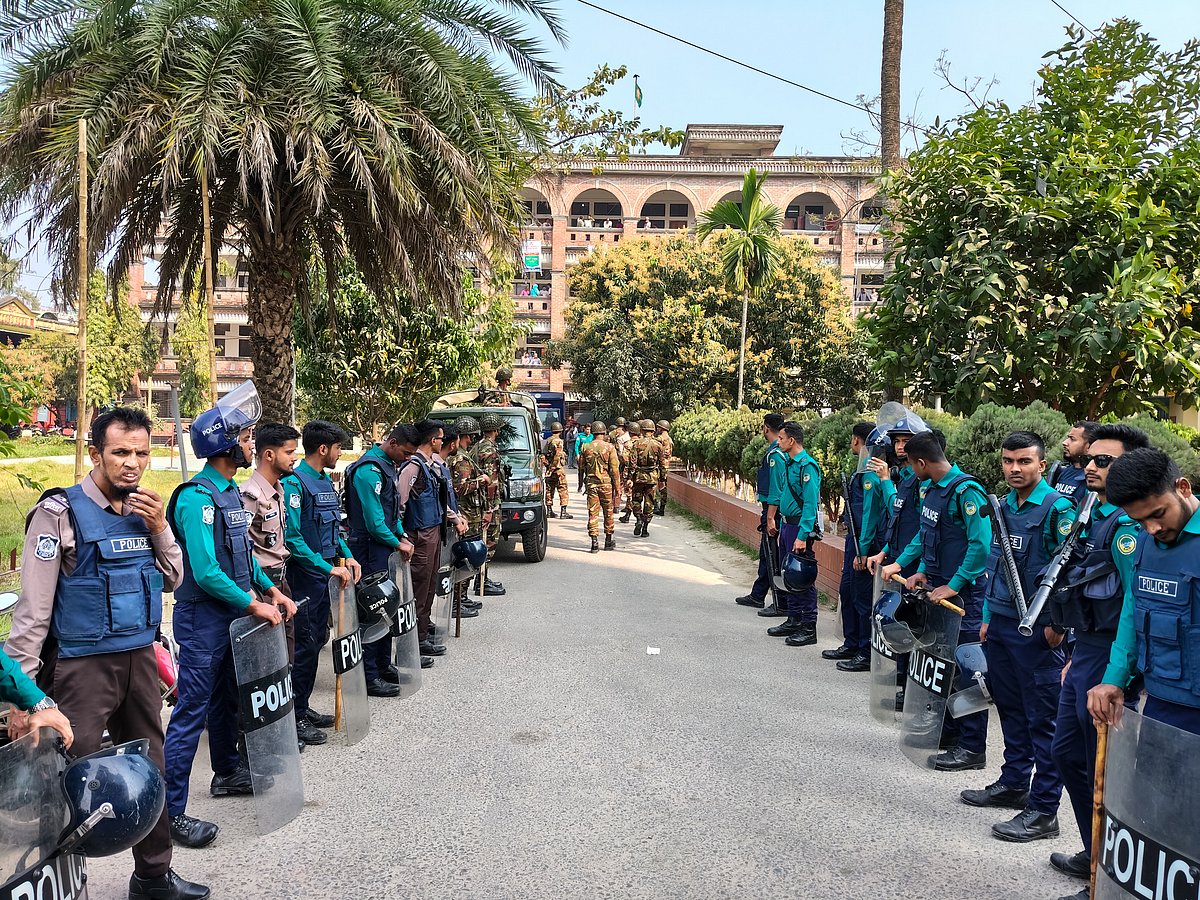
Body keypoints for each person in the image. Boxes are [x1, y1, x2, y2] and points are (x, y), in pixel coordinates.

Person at [7, 406, 209, 900]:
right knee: (64, 784)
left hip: (140, 661)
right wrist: (21, 695)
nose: (132, 463)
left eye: (141, 453)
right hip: (81, 669)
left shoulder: (146, 513)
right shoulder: (59, 514)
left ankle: (154, 877)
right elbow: (33, 612)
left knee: (151, 770)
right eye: (120, 452)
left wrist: (160, 527)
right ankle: (54, 887)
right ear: (96, 454)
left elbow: (174, 578)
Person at [164, 385, 295, 861]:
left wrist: (270, 590)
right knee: (190, 713)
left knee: (226, 699)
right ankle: (171, 814)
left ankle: (227, 772)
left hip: (231, 613)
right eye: (243, 438)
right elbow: (205, 571)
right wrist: (253, 605)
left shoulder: (229, 495)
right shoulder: (196, 498)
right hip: (203, 618)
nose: (250, 444)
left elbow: (242, 557)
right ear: (223, 445)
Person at [1046, 424, 1147, 898]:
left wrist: (1117, 676)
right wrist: (1074, 653)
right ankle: (1095, 853)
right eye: (1091, 458)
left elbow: (1133, 605)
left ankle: (1106, 877)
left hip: (1110, 656)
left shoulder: (1129, 528)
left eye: (1103, 461)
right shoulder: (1094, 512)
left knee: (1104, 769)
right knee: (1067, 753)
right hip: (1086, 649)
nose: (1090, 466)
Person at [961, 432, 1075, 843]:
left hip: (1038, 631)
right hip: (1002, 626)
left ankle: (1044, 811)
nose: (1014, 468)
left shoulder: (1058, 509)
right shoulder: (1001, 506)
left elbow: (1069, 571)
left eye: (1024, 461)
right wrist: (988, 617)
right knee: (1010, 709)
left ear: (1041, 465)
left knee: (1043, 720)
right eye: (1008, 461)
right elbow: (996, 565)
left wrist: (1058, 626)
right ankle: (1013, 784)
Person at [881, 430, 993, 771]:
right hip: (938, 588)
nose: (910, 471)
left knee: (966, 668)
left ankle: (972, 747)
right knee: (941, 662)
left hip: (964, 595)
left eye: (911, 465)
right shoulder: (932, 489)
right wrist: (917, 569)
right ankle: (948, 731)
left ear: (921, 462)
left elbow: (980, 547)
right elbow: (927, 534)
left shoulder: (966, 491)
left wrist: (954, 584)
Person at [1089, 447, 1200, 736]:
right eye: (1140, 521)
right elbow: (1133, 608)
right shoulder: (1144, 542)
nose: (1152, 528)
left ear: (1183, 488)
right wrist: (1114, 678)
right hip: (1161, 703)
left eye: (1158, 514)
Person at [283, 420, 361, 740]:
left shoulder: (324, 481)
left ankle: (302, 705)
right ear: (323, 448)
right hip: (305, 577)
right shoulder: (295, 483)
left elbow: (333, 529)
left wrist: (347, 555)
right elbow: (293, 539)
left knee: (316, 642)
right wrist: (325, 567)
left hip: (326, 575)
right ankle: (295, 716)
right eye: (339, 448)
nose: (340, 454)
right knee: (303, 645)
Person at [240, 423, 304, 740]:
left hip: (280, 582)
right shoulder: (250, 496)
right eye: (289, 452)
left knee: (285, 657)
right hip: (261, 586)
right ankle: (262, 735)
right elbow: (241, 550)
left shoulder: (278, 491)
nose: (294, 458)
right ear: (268, 454)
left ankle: (282, 727)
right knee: (264, 665)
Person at [344, 424, 414, 691]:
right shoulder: (368, 470)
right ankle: (370, 674)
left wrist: (402, 535)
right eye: (406, 453)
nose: (408, 459)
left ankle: (384, 665)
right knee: (374, 607)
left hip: (384, 546)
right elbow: (374, 523)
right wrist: (398, 543)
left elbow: (391, 513)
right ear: (393, 443)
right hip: (369, 547)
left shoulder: (388, 465)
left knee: (389, 605)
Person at [824, 422, 885, 672]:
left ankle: (864, 650)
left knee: (861, 596)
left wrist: (862, 550)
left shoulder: (870, 472)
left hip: (863, 542)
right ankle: (851, 643)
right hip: (854, 540)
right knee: (848, 591)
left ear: (857, 441)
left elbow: (870, 514)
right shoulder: (862, 469)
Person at [400, 420, 468, 646]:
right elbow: (400, 503)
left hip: (432, 532)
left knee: (429, 586)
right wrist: (401, 537)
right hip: (420, 535)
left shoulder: (429, 465)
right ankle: (416, 641)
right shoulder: (413, 466)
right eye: (440, 438)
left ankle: (423, 629)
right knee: (419, 587)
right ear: (432, 440)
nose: (442, 442)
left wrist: (454, 517)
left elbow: (438, 502)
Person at [764, 422, 823, 646]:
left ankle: (808, 626)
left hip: (800, 528)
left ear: (791, 440)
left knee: (802, 577)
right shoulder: (789, 463)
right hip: (788, 525)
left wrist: (803, 535)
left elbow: (809, 503)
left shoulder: (807, 466)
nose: (778, 442)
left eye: (781, 438)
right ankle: (793, 618)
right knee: (789, 574)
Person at [736, 414, 787, 611]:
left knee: (772, 555)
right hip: (773, 508)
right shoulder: (776, 451)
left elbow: (776, 487)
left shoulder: (776, 454)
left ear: (766, 428)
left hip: (774, 509)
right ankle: (758, 594)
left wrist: (770, 516)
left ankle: (779, 601)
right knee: (767, 552)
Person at [449, 416, 489, 616]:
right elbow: (460, 487)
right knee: (466, 557)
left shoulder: (462, 456)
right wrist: (481, 480)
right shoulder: (461, 460)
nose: (472, 440)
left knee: (468, 557)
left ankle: (462, 597)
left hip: (468, 512)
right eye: (470, 436)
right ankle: (457, 601)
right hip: (466, 514)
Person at [471, 414, 507, 596]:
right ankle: (481, 582)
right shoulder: (489, 450)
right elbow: (490, 483)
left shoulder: (477, 446)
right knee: (490, 541)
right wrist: (490, 508)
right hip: (488, 502)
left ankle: (482, 579)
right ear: (496, 430)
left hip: (478, 501)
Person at [578, 421, 621, 553]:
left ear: (593, 432)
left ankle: (594, 542)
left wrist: (581, 484)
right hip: (606, 484)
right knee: (608, 511)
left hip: (592, 484)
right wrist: (618, 488)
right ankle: (608, 540)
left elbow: (581, 467)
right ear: (604, 432)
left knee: (593, 512)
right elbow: (614, 470)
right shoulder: (610, 447)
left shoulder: (585, 447)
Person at [629, 420, 667, 537]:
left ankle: (638, 519)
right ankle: (645, 529)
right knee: (649, 502)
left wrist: (630, 477)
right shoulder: (658, 445)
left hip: (639, 477)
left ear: (641, 430)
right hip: (652, 477)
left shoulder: (636, 444)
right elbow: (662, 464)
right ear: (653, 431)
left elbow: (632, 462)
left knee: (636, 500)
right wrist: (662, 479)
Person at [543, 421, 572, 520]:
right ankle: (563, 512)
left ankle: (549, 511)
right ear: (560, 431)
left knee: (549, 489)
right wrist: (553, 467)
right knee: (563, 489)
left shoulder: (547, 441)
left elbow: (542, 456)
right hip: (558, 470)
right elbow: (558, 456)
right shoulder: (558, 441)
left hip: (549, 470)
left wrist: (548, 466)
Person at [618, 420, 640, 523]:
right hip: (642, 473)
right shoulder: (642, 443)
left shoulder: (628, 444)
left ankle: (629, 515)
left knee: (629, 494)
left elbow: (624, 458)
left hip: (629, 471)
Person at [654, 419, 673, 516]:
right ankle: (662, 508)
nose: (657, 429)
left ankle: (656, 507)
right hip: (666, 466)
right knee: (663, 487)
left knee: (655, 486)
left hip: (659, 466)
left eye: (658, 427)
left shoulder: (660, 439)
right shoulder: (669, 439)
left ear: (661, 428)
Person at [575, 424, 594, 492]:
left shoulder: (592, 436)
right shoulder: (580, 436)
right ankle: (580, 486)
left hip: (589, 456)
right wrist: (577, 454)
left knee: (588, 472)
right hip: (581, 456)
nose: (588, 431)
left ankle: (587, 487)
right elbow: (576, 446)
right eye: (587, 429)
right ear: (584, 429)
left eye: (589, 429)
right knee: (581, 472)